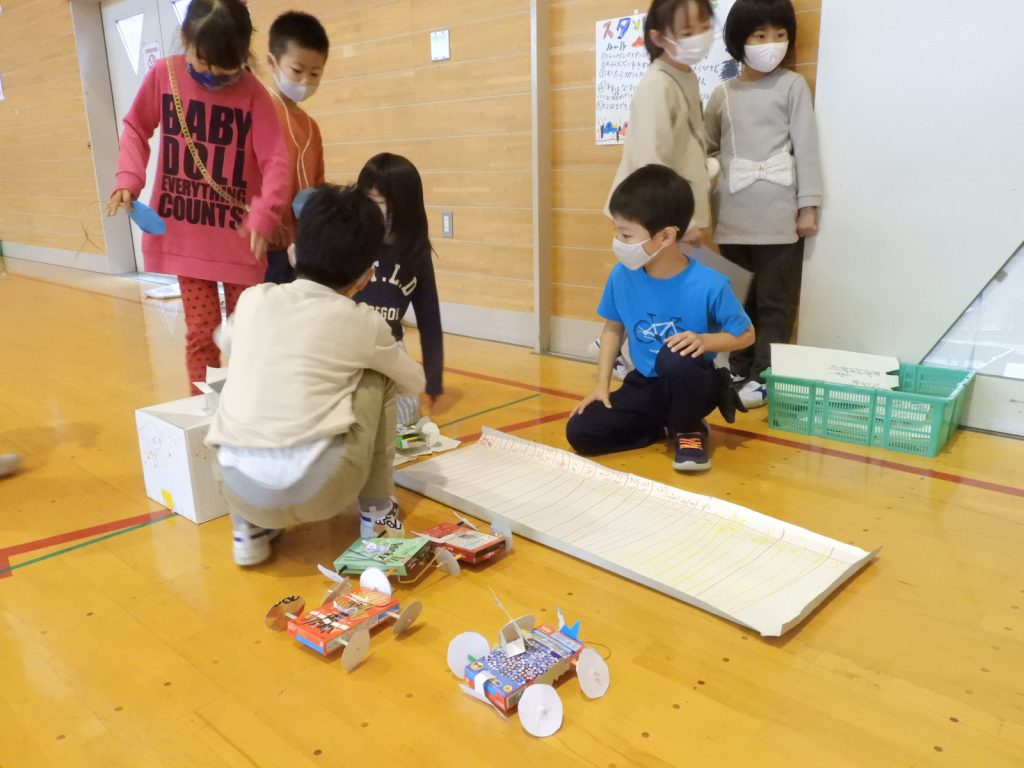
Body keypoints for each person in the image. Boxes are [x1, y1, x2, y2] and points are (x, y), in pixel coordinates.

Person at [206, 184, 425, 567]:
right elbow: (414, 383)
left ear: (293, 252)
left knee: (242, 370)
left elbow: (223, 340)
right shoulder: (363, 321)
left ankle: (249, 529)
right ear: (366, 276)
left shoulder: (255, 298)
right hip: (324, 489)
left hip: (236, 488)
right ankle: (378, 515)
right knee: (379, 376)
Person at [107, 0, 290, 392]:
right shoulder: (164, 75)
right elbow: (136, 128)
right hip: (187, 236)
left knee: (247, 336)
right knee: (202, 333)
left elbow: (276, 161)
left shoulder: (254, 95)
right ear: (185, 40)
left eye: (226, 70)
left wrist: (264, 214)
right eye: (203, 62)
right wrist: (129, 177)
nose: (211, 75)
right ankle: (202, 409)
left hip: (240, 240)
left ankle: (249, 408)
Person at [567, 165, 754, 472]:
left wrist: (704, 340)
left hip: (693, 381)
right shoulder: (622, 276)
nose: (618, 241)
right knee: (582, 431)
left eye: (626, 234)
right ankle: (665, 425)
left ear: (666, 236)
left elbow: (746, 334)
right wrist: (601, 385)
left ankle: (689, 429)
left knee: (674, 355)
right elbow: (613, 328)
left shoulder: (710, 284)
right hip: (647, 383)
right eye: (617, 232)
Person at [705, 0, 822, 408]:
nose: (770, 43)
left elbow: (806, 148)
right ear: (740, 39)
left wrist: (808, 206)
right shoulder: (722, 94)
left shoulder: (793, 85)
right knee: (741, 298)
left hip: (779, 218)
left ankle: (765, 375)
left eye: (779, 34)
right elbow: (707, 149)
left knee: (775, 301)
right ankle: (739, 365)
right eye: (759, 35)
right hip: (732, 217)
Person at [596, 0, 717, 377]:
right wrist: (677, 224)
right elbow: (652, 163)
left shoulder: (684, 75)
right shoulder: (657, 85)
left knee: (666, 287)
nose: (699, 37)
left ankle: (640, 356)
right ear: (659, 38)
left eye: (703, 27)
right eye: (687, 31)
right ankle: (617, 348)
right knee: (648, 286)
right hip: (654, 216)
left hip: (669, 215)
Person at [354, 153, 444, 425]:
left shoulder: (415, 252)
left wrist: (433, 378)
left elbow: (429, 317)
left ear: (402, 205)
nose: (372, 210)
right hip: (349, 344)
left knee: (406, 419)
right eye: (367, 200)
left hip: (390, 344)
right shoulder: (352, 241)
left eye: (380, 202)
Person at [263, 11, 329, 284]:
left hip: (302, 247)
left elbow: (317, 185)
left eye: (314, 74)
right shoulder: (260, 112)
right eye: (297, 71)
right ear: (272, 62)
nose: (305, 82)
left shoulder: (311, 127)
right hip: (265, 247)